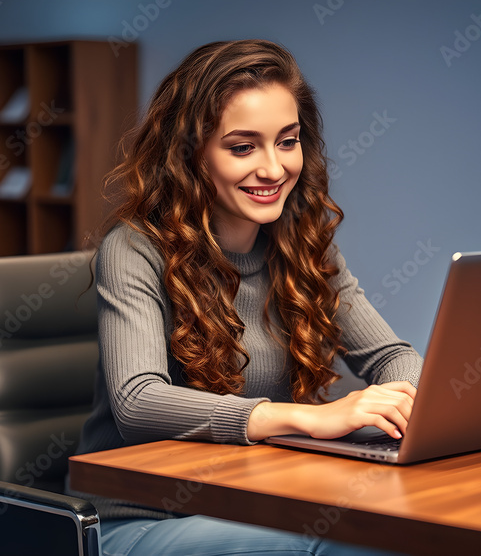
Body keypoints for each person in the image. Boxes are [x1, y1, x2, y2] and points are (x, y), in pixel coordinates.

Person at [69, 39, 423, 555]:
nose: (274, 169)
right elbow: (137, 401)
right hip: (137, 520)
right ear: (190, 154)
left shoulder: (303, 244)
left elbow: (392, 356)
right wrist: (304, 418)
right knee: (352, 545)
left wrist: (406, 403)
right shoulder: (134, 249)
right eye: (242, 147)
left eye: (287, 141)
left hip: (258, 499)